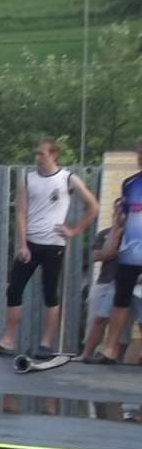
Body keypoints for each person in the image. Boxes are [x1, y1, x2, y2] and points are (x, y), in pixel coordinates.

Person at [0, 137, 97, 358]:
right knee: (14, 288)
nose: (37, 158)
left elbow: (93, 206)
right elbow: (21, 213)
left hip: (54, 244)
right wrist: (22, 244)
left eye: (42, 154)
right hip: (31, 243)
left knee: (50, 292)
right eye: (36, 154)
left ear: (53, 155)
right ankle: (7, 341)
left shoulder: (67, 178)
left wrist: (74, 230)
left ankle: (45, 344)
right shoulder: (28, 179)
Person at [93, 141, 142, 365]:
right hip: (129, 253)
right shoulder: (130, 183)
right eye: (139, 154)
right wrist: (117, 220)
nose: (140, 158)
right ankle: (110, 350)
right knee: (120, 301)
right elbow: (125, 217)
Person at [80, 200, 122, 362]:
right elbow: (100, 255)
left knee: (128, 326)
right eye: (117, 210)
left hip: (133, 282)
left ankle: (117, 357)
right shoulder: (105, 233)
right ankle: (86, 354)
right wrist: (116, 228)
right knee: (98, 318)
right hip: (106, 281)